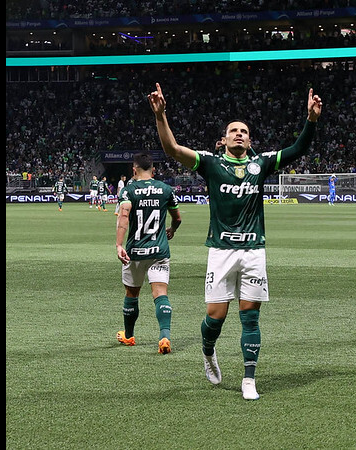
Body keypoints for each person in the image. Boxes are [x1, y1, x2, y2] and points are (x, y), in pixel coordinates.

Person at [148, 82, 323, 400]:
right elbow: (172, 149)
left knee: (250, 315)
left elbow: (298, 150)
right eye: (234, 130)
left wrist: (310, 120)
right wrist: (161, 115)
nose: (239, 133)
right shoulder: (212, 164)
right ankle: (207, 351)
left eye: (244, 131)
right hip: (221, 251)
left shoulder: (262, 164)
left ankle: (248, 378)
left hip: (254, 250)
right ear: (224, 139)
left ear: (250, 139)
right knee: (216, 316)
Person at [115, 152, 183, 354]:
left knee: (132, 293)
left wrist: (119, 244)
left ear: (134, 170)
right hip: (159, 250)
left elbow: (124, 215)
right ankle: (164, 336)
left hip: (134, 252)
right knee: (160, 294)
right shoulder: (165, 189)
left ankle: (128, 335)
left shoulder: (129, 191)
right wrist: (172, 229)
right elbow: (177, 218)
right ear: (153, 170)